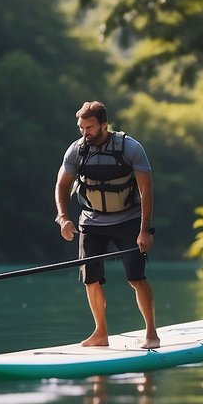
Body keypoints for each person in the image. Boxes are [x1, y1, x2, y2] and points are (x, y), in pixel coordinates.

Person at [54, 100, 159, 349]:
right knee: (90, 278)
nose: (85, 133)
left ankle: (151, 333)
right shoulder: (76, 150)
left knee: (135, 277)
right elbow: (61, 185)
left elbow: (146, 190)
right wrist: (63, 217)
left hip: (128, 218)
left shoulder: (130, 148)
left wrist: (145, 230)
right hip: (91, 220)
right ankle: (100, 333)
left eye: (89, 128)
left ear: (104, 124)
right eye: (81, 128)